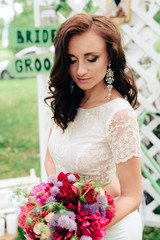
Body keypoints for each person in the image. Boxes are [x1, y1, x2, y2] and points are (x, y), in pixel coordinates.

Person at [44, 12, 143, 240]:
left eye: (91, 58)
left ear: (109, 57)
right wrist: (54, 205)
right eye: (72, 60)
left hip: (108, 229)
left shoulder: (118, 114)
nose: (80, 71)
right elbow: (51, 157)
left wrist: (78, 227)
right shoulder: (66, 99)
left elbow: (132, 196)